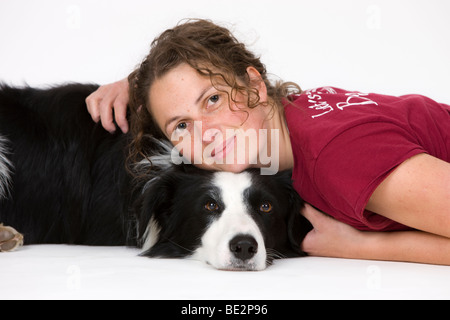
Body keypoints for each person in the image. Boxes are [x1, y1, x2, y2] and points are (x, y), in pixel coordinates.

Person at [86, 19, 450, 265]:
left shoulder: (337, 158)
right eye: (181, 125)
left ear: (256, 85)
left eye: (212, 100)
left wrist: (361, 246)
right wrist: (140, 84)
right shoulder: (288, 122)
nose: (207, 133)